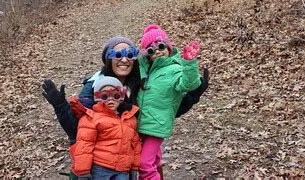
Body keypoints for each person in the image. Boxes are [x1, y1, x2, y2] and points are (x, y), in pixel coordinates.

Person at [42, 36, 209, 146]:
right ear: (108, 59)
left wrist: (194, 94)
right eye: (117, 54)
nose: (124, 59)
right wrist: (60, 106)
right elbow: (76, 131)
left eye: (130, 54)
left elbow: (163, 109)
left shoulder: (139, 83)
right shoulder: (95, 85)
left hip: (133, 152)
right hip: (99, 158)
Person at [137, 25, 201, 180]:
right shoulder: (145, 70)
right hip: (141, 123)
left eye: (160, 46)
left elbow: (189, 84)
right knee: (152, 160)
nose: (157, 51)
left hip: (157, 125)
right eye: (151, 50)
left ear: (168, 46)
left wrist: (189, 63)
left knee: (144, 164)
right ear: (147, 55)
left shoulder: (175, 68)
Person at [68, 76, 141, 180]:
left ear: (121, 96)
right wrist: (83, 171)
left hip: (122, 170)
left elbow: (135, 145)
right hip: (100, 167)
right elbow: (85, 144)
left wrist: (134, 167)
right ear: (97, 97)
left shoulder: (129, 118)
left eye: (115, 95)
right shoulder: (92, 117)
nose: (110, 99)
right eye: (105, 96)